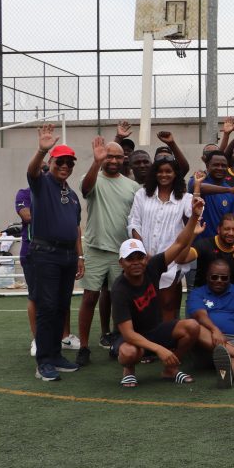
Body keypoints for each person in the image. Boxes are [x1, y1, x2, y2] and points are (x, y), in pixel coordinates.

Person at [110, 196, 205, 388]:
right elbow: (128, 334)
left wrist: (194, 217)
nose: (136, 263)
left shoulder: (152, 267)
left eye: (140, 257)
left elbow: (178, 244)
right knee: (129, 352)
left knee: (192, 327)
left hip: (155, 330)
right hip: (134, 338)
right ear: (122, 263)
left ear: (146, 259)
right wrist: (160, 350)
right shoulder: (120, 289)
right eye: (130, 259)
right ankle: (128, 370)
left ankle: (170, 370)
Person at [26, 124, 84, 382]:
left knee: (61, 307)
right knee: (47, 307)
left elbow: (75, 228)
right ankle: (44, 362)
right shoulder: (42, 183)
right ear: (51, 162)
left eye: (70, 163)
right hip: (46, 254)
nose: (65, 166)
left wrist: (79, 257)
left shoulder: (70, 194)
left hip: (67, 256)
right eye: (61, 161)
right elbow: (31, 172)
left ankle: (56, 355)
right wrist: (41, 149)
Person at [76, 136, 140, 366]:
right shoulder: (92, 178)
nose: (113, 160)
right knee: (90, 297)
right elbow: (85, 190)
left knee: (118, 299)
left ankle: (118, 341)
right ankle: (84, 346)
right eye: (109, 156)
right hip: (95, 249)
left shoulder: (133, 187)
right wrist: (96, 161)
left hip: (121, 253)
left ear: (125, 159)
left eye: (117, 156)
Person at [127, 157, 194, 322]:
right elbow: (134, 223)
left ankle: (165, 341)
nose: (164, 175)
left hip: (170, 260)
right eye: (160, 171)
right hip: (144, 259)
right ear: (154, 173)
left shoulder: (185, 198)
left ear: (175, 174)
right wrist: (142, 252)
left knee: (167, 303)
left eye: (168, 171)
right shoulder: (142, 194)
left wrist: (198, 186)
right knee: (143, 303)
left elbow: (194, 214)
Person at [185, 247, 234, 388]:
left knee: (233, 363)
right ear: (207, 276)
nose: (219, 281)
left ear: (229, 277)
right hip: (208, 340)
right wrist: (215, 330)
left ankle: (226, 375)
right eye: (214, 277)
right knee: (195, 326)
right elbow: (199, 315)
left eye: (224, 277)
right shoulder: (198, 293)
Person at [185, 212, 234, 288]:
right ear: (219, 229)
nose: (231, 233)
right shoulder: (204, 244)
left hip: (230, 294)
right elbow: (183, 259)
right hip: (203, 294)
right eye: (227, 229)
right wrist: (192, 234)